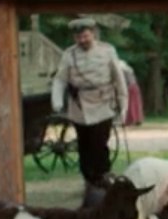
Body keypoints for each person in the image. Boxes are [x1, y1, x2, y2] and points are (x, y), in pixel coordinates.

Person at [51, 18, 125, 187]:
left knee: (99, 144)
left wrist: (123, 102)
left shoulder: (107, 51)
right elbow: (60, 79)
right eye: (78, 37)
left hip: (103, 104)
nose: (82, 40)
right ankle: (89, 181)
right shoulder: (69, 54)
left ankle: (103, 178)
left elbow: (118, 78)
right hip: (80, 107)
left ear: (93, 34)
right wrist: (57, 102)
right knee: (84, 146)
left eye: (85, 36)